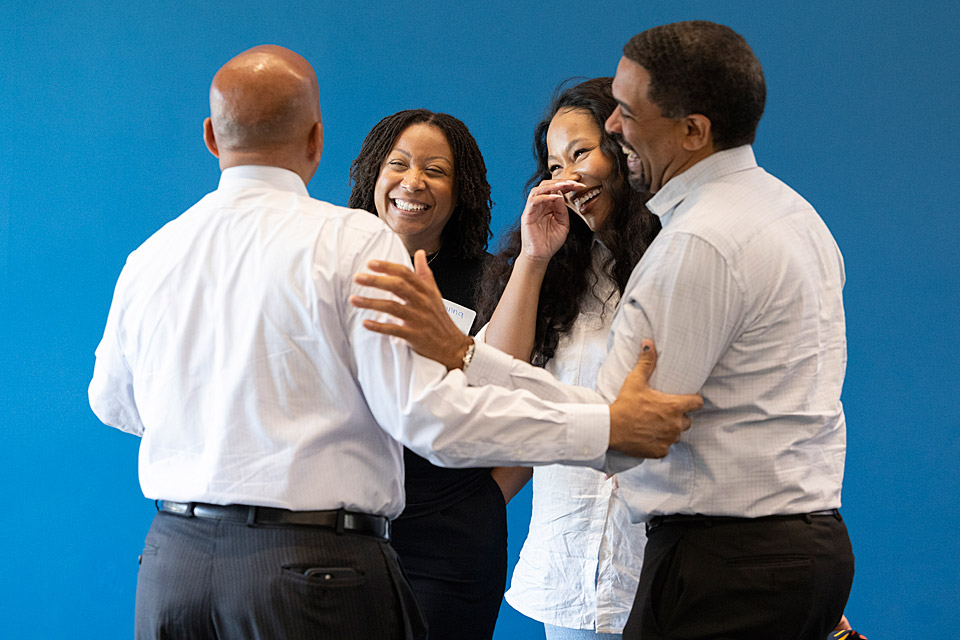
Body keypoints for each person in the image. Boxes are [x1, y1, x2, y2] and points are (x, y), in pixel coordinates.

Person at [87, 45, 701, 640]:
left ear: (213, 138)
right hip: (309, 568)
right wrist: (607, 427)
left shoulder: (153, 255)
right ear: (315, 142)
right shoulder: (353, 243)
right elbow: (427, 415)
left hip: (174, 566)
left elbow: (113, 404)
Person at [351, 20, 854, 639]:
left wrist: (462, 355)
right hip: (723, 550)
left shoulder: (693, 243)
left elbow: (621, 433)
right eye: (555, 159)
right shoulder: (780, 214)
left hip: (715, 553)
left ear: (691, 130)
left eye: (622, 117)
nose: (616, 129)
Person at [475, 78, 659, 640]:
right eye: (554, 167)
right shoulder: (556, 275)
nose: (567, 179)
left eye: (580, 154)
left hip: (660, 571)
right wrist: (533, 257)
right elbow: (493, 379)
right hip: (570, 577)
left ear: (625, 151)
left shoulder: (680, 257)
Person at [347, 109, 507, 639]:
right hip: (339, 527)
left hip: (449, 543)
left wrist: (471, 504)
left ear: (461, 193)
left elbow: (516, 403)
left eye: (435, 170)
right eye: (398, 164)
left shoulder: (493, 282)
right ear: (374, 175)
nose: (413, 182)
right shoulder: (330, 264)